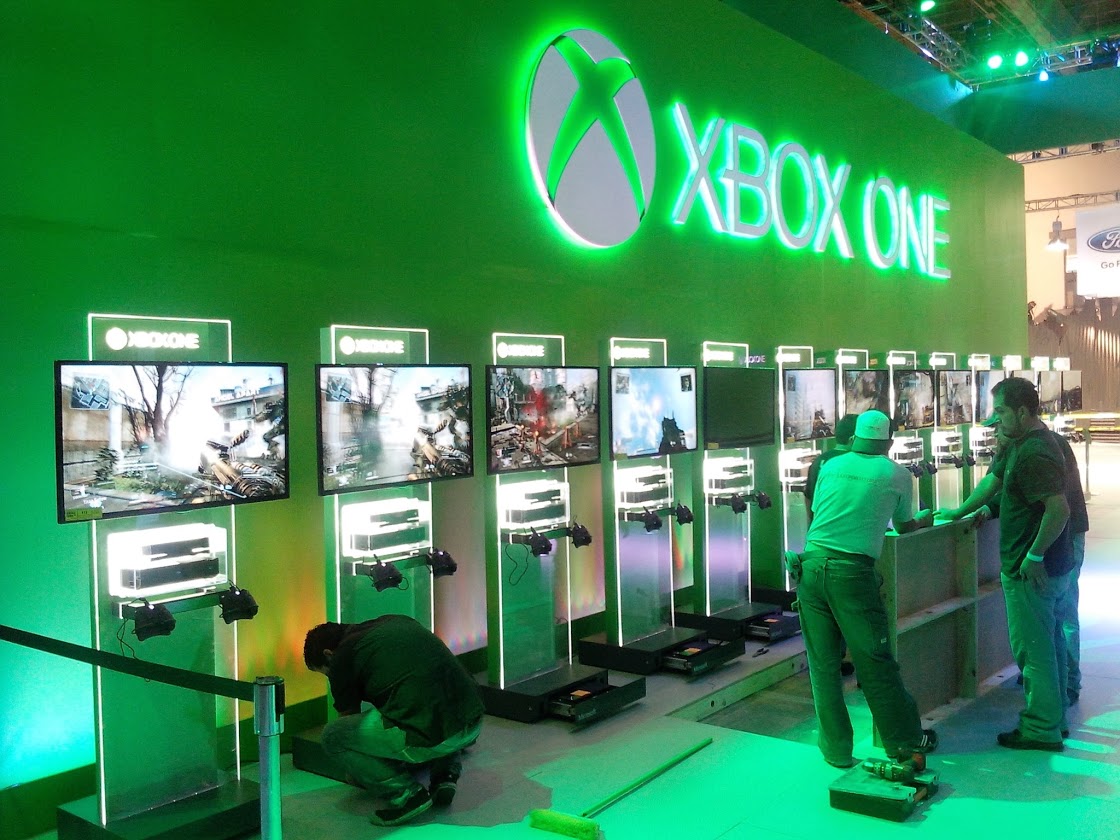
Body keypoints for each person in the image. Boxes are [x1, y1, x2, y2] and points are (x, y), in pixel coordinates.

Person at [791, 410, 937, 769]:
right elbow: (903, 526)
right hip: (851, 575)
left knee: (823, 666)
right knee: (875, 662)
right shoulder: (896, 474)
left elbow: (820, 513)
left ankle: (836, 751)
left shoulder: (830, 466)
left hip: (810, 567)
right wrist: (924, 520)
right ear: (889, 443)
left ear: (854, 438)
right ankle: (905, 743)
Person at [937, 376, 1073, 751]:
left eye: (1000, 411)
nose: (996, 419)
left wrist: (1034, 554)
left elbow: (1059, 510)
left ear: (1022, 411)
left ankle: (1041, 728)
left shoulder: (1035, 452)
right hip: (1040, 567)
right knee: (1048, 645)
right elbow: (994, 483)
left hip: (1033, 571)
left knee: (1034, 651)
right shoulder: (1020, 444)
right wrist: (961, 512)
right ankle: (1054, 718)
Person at [304, 614, 485, 826]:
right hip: (473, 719)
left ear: (328, 655)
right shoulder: (396, 622)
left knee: (334, 736)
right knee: (431, 698)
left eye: (325, 673)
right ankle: (445, 776)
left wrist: (358, 770)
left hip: (435, 737)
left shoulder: (341, 658)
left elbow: (348, 719)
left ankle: (407, 795)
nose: (330, 677)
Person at [804, 413, 859, 527]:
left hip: (819, 527)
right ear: (853, 438)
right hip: (845, 527)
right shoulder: (855, 461)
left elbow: (808, 496)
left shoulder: (819, 460)